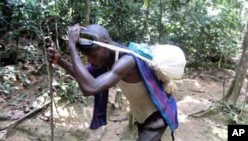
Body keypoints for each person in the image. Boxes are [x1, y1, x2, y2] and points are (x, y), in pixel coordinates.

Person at [47, 24, 178, 141]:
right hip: (142, 116)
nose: (90, 60)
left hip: (157, 115)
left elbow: (89, 88)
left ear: (105, 46)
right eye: (87, 56)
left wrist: (71, 46)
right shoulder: (106, 60)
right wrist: (60, 62)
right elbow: (84, 77)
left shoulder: (127, 62)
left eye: (92, 55)